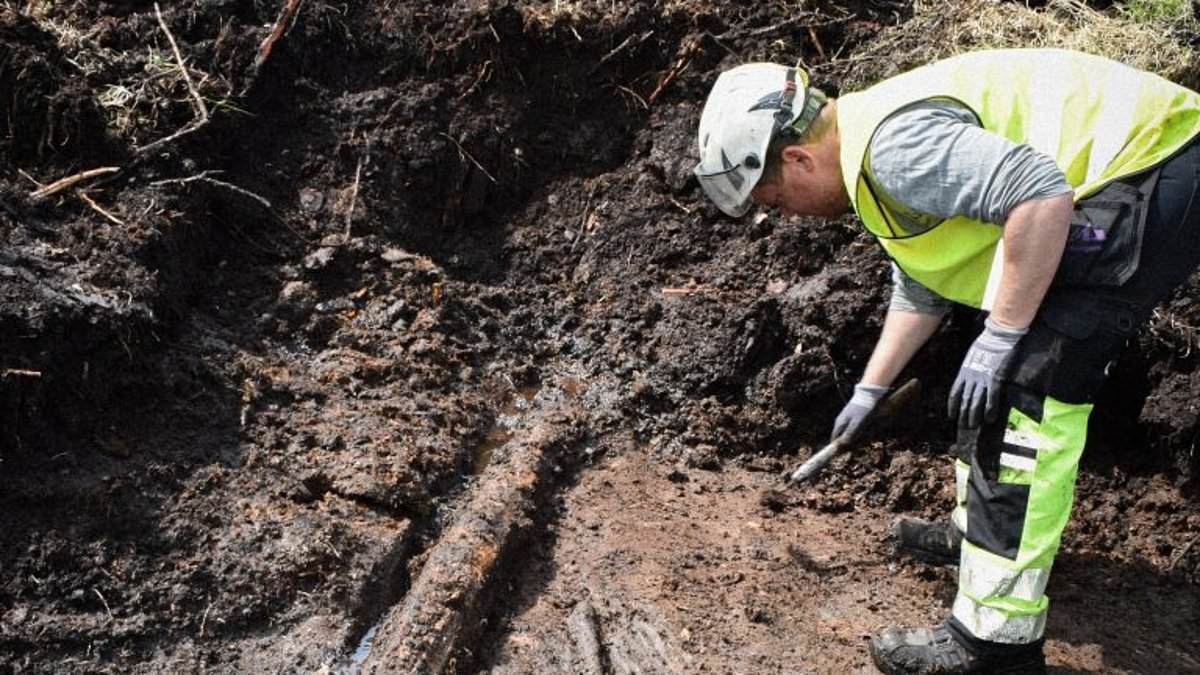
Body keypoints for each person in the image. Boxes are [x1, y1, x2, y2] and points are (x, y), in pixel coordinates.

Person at [693, 49, 1200, 674]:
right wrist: (870, 388)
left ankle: (992, 643)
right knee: (994, 365)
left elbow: (1040, 194)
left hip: (1156, 166)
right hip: (1130, 174)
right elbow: (924, 279)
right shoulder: (866, 155)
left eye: (775, 197)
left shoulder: (891, 151)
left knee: (1022, 396)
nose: (783, 214)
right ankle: (977, 538)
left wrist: (1001, 336)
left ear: (797, 157)